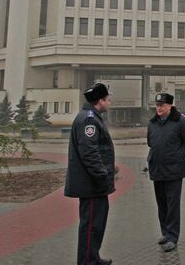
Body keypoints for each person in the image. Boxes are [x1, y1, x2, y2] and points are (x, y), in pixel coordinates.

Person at [64, 83, 115, 265]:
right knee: (91, 226)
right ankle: (87, 261)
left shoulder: (90, 117)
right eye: (107, 99)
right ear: (100, 101)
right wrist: (103, 175)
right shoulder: (89, 120)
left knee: (96, 225)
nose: (109, 102)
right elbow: (89, 153)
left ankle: (93, 257)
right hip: (92, 185)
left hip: (94, 184)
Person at [147, 93, 185, 252]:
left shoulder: (180, 121)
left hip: (173, 171)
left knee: (172, 205)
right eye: (157, 105)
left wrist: (178, 157)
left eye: (162, 105)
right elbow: (151, 142)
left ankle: (173, 237)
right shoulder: (152, 123)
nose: (159, 108)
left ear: (170, 106)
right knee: (161, 204)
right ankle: (165, 232)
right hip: (157, 169)